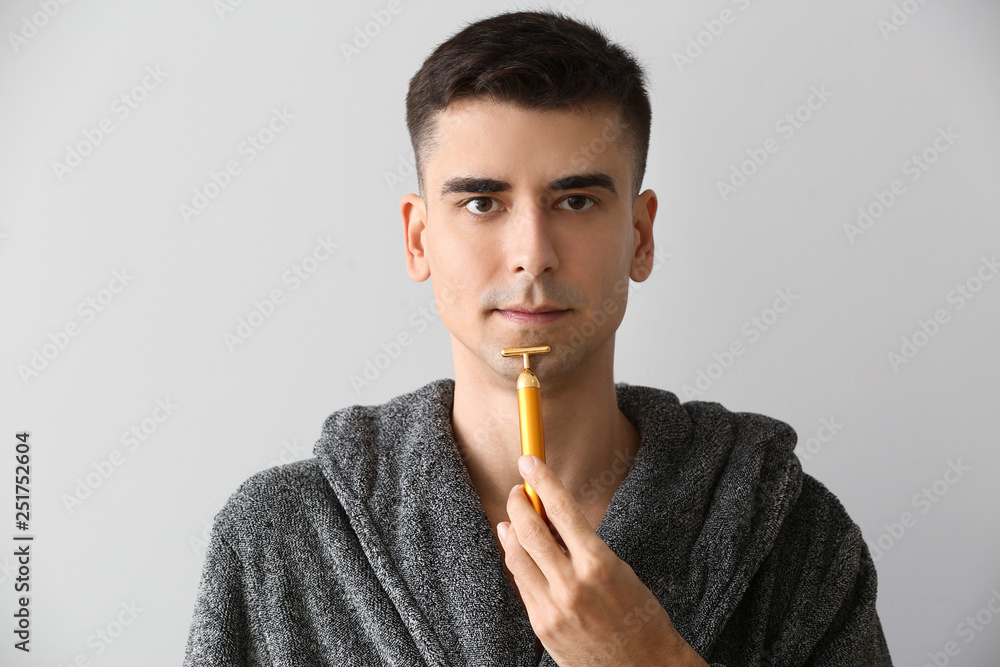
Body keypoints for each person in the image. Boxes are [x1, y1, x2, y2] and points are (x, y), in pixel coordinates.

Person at [182, 9, 893, 666]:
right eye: (483, 202)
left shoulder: (795, 536)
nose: (532, 252)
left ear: (640, 236)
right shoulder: (276, 540)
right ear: (419, 236)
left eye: (576, 200)